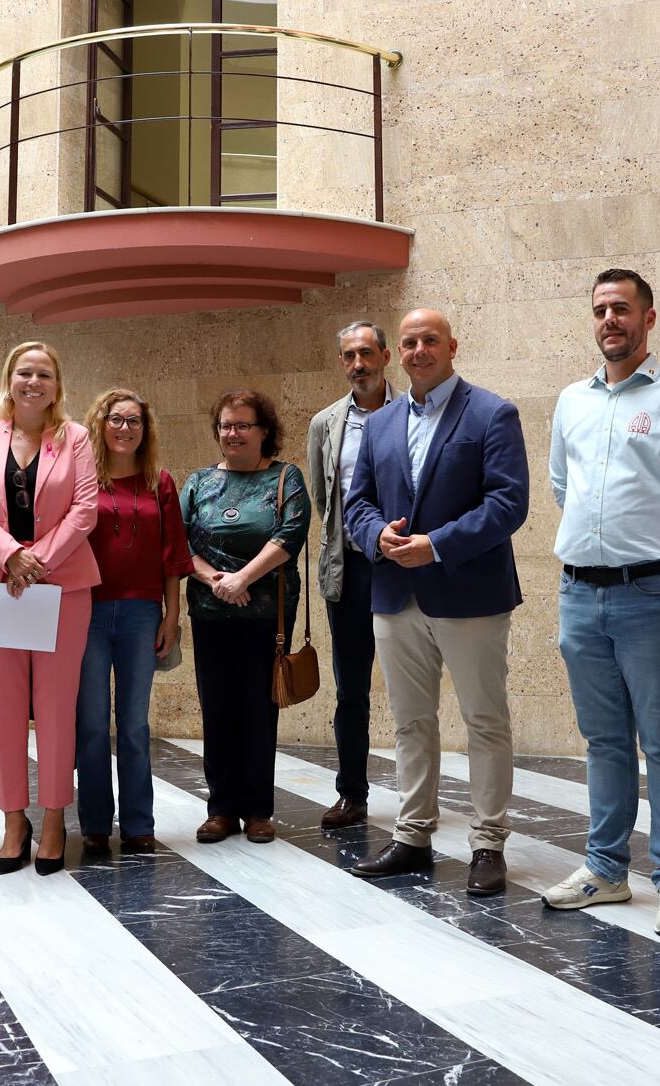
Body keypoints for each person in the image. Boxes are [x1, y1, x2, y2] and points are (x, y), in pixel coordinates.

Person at [540, 269, 660, 936]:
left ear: (649, 318)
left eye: (621, 308)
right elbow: (563, 486)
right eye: (599, 309)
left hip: (655, 593)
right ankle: (605, 868)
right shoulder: (571, 400)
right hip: (579, 594)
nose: (609, 320)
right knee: (603, 741)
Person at [344, 308, 530, 897]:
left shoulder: (492, 413)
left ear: (452, 346)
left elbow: (508, 504)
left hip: (469, 593)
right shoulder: (379, 425)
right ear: (397, 352)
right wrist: (377, 536)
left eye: (430, 340)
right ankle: (413, 835)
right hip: (395, 595)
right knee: (410, 723)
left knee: (483, 721)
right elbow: (358, 503)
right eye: (409, 342)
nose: (419, 350)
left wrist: (437, 546)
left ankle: (487, 843)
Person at [0, 341, 98, 876]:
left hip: (62, 590)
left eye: (43, 374)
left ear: (56, 385)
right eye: (24, 373)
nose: (33, 382)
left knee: (58, 708)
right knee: (6, 711)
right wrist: (9, 556)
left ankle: (55, 818)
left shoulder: (76, 437)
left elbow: (85, 508)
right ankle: (14, 821)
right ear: (9, 380)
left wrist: (34, 561)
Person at [181, 389, 311, 844]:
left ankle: (257, 809)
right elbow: (178, 544)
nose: (232, 433)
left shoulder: (285, 477)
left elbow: (290, 533)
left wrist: (242, 579)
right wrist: (216, 579)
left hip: (267, 614)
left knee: (259, 709)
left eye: (242, 425)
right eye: (225, 426)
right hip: (209, 610)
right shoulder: (198, 482)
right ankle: (221, 809)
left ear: (263, 431)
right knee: (217, 708)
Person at [75, 388, 193, 856]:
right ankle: (95, 824)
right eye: (116, 419)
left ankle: (140, 823)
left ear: (146, 431)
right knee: (90, 723)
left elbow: (172, 554)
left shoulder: (158, 482)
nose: (125, 428)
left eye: (135, 421)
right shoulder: (83, 479)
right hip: (87, 611)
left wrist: (172, 614)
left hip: (144, 613)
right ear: (100, 425)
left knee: (133, 723)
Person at [306, 320, 397, 829]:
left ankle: (417, 797)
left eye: (366, 353)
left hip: (406, 567)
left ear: (385, 356)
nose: (358, 364)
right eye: (349, 356)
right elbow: (325, 502)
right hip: (350, 570)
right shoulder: (325, 423)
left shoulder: (413, 411)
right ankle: (352, 794)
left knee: (414, 687)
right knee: (351, 689)